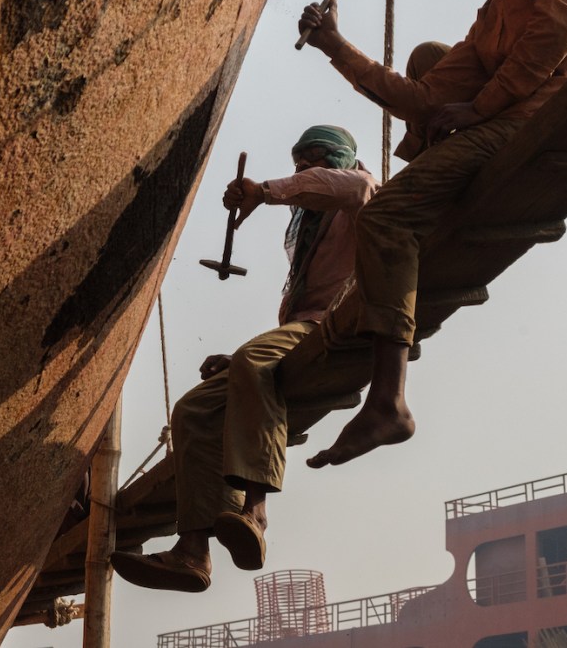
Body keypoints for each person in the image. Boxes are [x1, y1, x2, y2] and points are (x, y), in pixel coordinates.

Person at [298, 0, 567, 469]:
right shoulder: (494, 7)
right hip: (509, 108)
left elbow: (563, 23)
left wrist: (483, 108)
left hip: (549, 108)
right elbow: (423, 98)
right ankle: (431, 196)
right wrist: (335, 46)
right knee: (426, 58)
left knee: (385, 216)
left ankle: (389, 402)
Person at [109, 126, 379, 592]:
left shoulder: (361, 193)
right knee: (193, 410)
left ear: (341, 160)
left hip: (343, 325)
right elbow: (293, 318)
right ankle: (192, 552)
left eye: (314, 161)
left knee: (256, 362)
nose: (303, 172)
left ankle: (254, 511)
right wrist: (236, 358)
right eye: (298, 163)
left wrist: (265, 191)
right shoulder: (306, 225)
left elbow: (350, 186)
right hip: (301, 330)